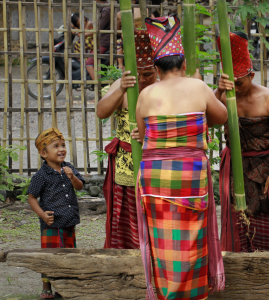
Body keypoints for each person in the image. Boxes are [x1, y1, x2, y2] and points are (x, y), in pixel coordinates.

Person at [135, 15, 226, 299]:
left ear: (156, 68)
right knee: (190, 240)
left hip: (156, 179)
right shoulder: (198, 88)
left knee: (162, 241)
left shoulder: (147, 94)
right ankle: (192, 294)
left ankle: (165, 294)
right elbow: (221, 118)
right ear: (184, 65)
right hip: (189, 176)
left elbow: (143, 135)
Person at [215, 31, 269, 253]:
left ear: (252, 76)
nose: (235, 88)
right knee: (237, 218)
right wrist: (219, 90)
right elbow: (206, 119)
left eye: (240, 83)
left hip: (265, 166)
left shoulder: (268, 98)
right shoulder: (221, 96)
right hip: (235, 167)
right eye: (231, 84)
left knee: (267, 218)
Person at [97, 29, 157, 249]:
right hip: (125, 166)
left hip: (154, 166)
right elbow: (101, 112)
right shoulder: (123, 85)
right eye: (138, 74)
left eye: (148, 74)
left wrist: (149, 135)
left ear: (158, 70)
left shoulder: (163, 90)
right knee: (127, 224)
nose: (142, 79)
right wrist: (121, 87)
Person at [27, 128, 85, 299]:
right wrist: (43, 215)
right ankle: (47, 289)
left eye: (63, 145)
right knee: (50, 256)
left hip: (69, 220)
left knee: (68, 255)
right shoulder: (41, 175)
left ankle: (64, 287)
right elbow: (31, 198)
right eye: (56, 146)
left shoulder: (68, 168)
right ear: (43, 153)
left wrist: (72, 178)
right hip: (51, 224)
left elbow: (80, 186)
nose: (62, 149)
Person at [86, 0, 110, 83]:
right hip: (104, 40)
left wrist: (84, 34)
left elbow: (99, 28)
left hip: (105, 42)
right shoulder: (106, 8)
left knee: (89, 63)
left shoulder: (106, 10)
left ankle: (97, 86)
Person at [71, 12, 94, 90]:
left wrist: (75, 28)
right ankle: (82, 60)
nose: (82, 23)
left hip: (94, 41)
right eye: (79, 23)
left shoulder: (89, 23)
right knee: (78, 44)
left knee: (79, 43)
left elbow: (82, 34)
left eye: (83, 20)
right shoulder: (83, 25)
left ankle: (83, 61)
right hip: (90, 39)